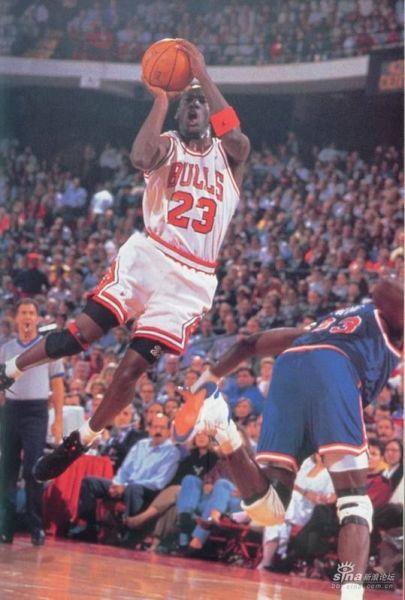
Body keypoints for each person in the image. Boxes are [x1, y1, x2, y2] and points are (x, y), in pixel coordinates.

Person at [0, 39, 250, 482]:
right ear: (178, 115)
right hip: (151, 255)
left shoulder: (230, 154)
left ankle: (83, 439)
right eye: (186, 104)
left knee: (133, 366)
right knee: (80, 334)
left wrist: (201, 76)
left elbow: (236, 138)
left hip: (192, 279)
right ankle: (9, 369)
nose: (194, 107)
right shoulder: (167, 145)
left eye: (200, 103)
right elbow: (139, 156)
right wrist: (161, 100)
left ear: (210, 111)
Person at [174, 278, 403, 600]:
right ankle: (351, 595)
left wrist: (207, 379)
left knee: (268, 510)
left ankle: (223, 428)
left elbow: (249, 343)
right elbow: (383, 288)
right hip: (336, 370)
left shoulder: (322, 326)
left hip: (288, 370)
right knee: (355, 502)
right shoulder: (392, 325)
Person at [0, 299, 64, 545]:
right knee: (7, 469)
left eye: (31, 312)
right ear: (16, 318)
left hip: (37, 411)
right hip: (11, 411)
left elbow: (57, 385)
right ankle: (6, 527)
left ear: (37, 318)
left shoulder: (49, 347)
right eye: (23, 312)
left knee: (33, 470)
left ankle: (36, 527)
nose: (27, 317)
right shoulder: (6, 349)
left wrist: (58, 420)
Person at [69, 413, 180, 542]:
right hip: (126, 486)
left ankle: (131, 534)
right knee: (90, 482)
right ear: (149, 429)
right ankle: (89, 528)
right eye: (155, 427)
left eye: (162, 428)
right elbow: (125, 469)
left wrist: (125, 487)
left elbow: (159, 482)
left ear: (168, 431)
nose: (158, 431)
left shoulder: (172, 452)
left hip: (149, 492)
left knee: (133, 488)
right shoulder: (141, 445)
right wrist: (117, 484)